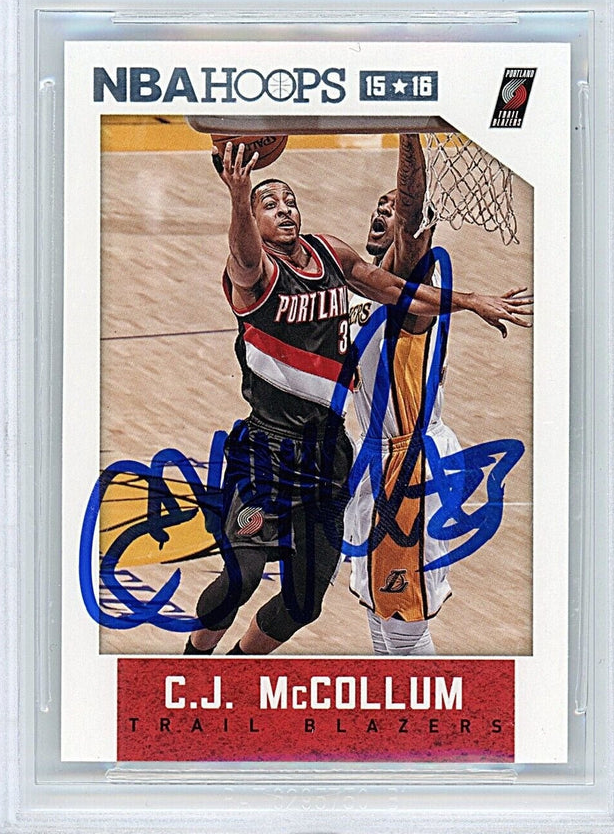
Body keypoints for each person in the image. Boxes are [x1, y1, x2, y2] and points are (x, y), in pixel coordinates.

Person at [185, 140, 530, 656]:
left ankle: (411, 710)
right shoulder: (287, 274)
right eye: (271, 204)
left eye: (290, 201)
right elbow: (246, 257)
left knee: (368, 612)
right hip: (307, 454)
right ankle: (198, 666)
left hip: (398, 462)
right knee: (343, 599)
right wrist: (238, 196)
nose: (382, 213)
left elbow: (404, 242)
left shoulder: (388, 269)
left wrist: (409, 130)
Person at [344, 134, 532, 655]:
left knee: (403, 623)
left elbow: (412, 208)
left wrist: (409, 129)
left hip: (409, 462)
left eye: (393, 206)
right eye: (378, 205)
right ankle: (392, 706)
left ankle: (424, 709)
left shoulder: (409, 285)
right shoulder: (369, 288)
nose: (385, 210)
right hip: (378, 455)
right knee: (379, 609)